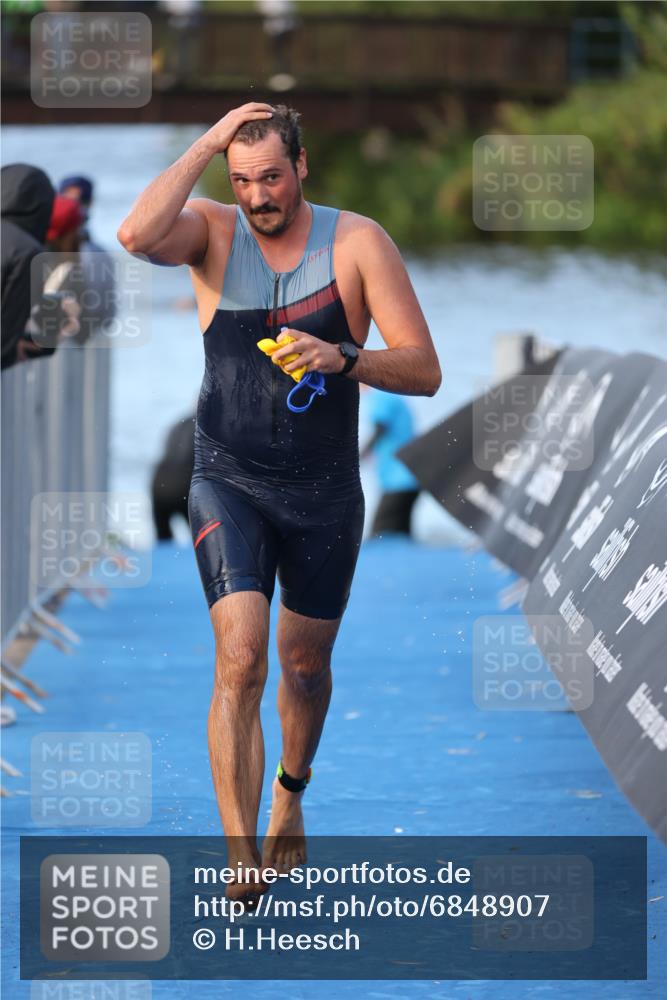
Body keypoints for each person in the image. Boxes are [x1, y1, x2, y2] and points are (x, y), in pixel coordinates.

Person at [117, 102, 441, 906]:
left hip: (325, 489)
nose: (258, 196)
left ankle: (289, 795)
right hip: (228, 475)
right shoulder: (213, 232)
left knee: (304, 666)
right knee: (242, 657)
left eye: (270, 178)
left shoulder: (358, 243)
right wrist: (205, 144)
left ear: (302, 167)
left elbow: (424, 369)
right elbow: (132, 236)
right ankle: (239, 853)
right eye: (243, 180)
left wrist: (344, 356)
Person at [58, 174, 117, 340]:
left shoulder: (98, 255)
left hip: (80, 342)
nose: (73, 207)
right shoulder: (100, 254)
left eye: (79, 201)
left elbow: (107, 314)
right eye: (67, 201)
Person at [360, 385, 421, 537]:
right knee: (400, 534)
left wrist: (358, 456)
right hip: (406, 476)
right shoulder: (390, 395)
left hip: (400, 479)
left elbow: (380, 428)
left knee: (381, 534)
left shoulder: (381, 395)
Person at [151, 412, 196, 542]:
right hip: (184, 484)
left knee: (163, 539)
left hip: (160, 481)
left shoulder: (178, 423)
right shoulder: (209, 425)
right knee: (201, 540)